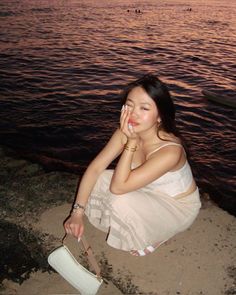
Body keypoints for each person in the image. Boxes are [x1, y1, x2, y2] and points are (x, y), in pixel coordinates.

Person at [64, 74, 201, 256]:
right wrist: (77, 213)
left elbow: (119, 187)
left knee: (120, 199)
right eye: (129, 105)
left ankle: (159, 233)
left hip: (176, 206)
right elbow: (96, 168)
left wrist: (131, 142)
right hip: (146, 190)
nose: (133, 114)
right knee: (102, 177)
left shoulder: (171, 151)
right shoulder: (126, 130)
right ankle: (145, 222)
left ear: (160, 116)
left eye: (144, 108)